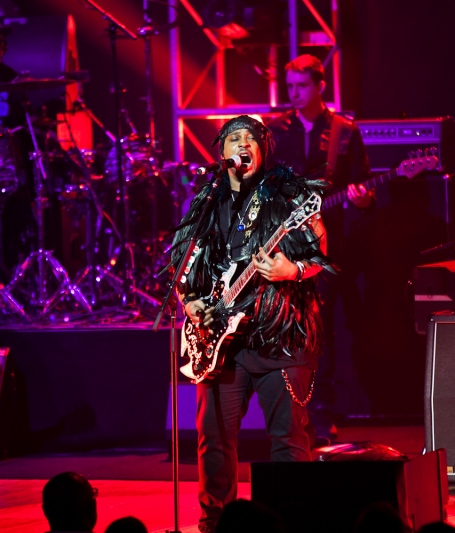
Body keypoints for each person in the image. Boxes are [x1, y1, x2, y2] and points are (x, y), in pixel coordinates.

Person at [166, 115, 334, 532]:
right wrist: (190, 303)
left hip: (279, 334)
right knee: (215, 445)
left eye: (250, 138)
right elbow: (182, 264)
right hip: (220, 343)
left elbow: (319, 248)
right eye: (233, 138)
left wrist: (291, 270)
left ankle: (294, 523)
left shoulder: (289, 192)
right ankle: (215, 523)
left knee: (289, 441)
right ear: (220, 152)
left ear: (264, 147)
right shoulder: (207, 201)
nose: (242, 144)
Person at [266, 54, 372, 442]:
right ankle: (285, 409)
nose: (294, 94)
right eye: (290, 87)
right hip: (283, 245)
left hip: (327, 246)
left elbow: (362, 184)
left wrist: (361, 198)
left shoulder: (344, 131)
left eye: (301, 86)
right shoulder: (276, 130)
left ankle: (322, 411)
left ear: (320, 86)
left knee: (319, 327)